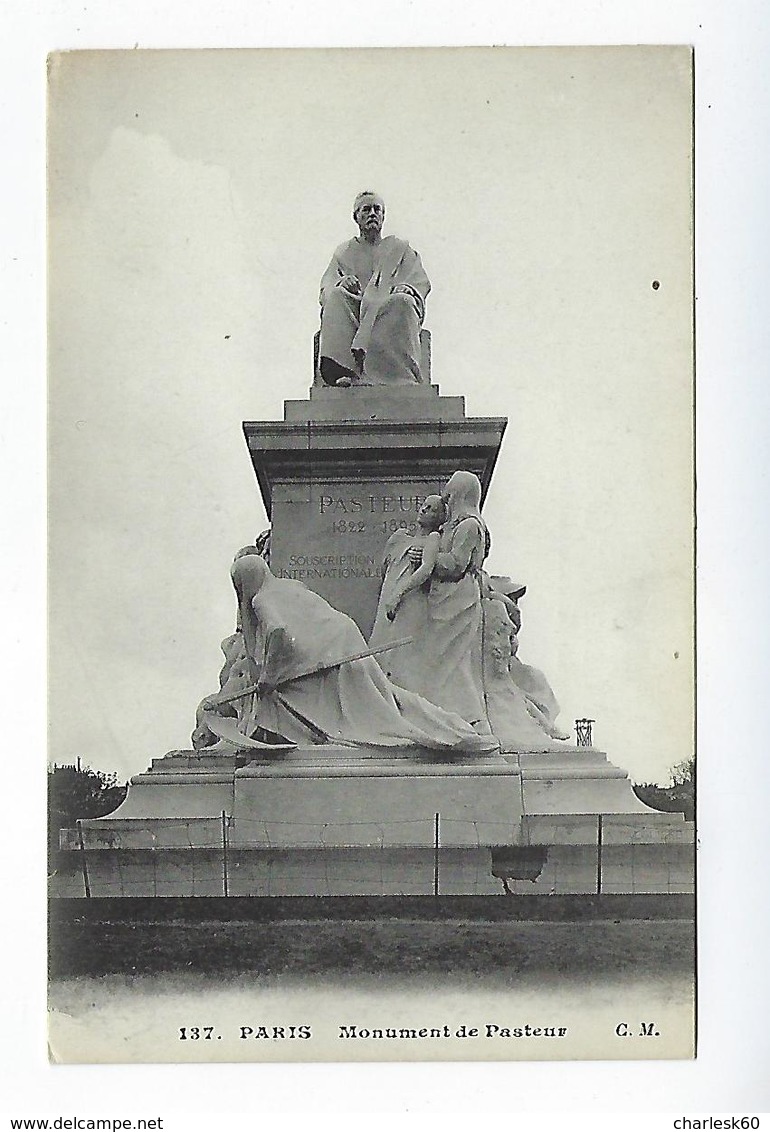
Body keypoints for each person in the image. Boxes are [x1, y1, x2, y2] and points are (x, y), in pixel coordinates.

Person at [229, 553, 499, 755]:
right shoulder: (288, 586)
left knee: (373, 713)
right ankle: (452, 727)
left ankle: (448, 731)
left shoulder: (261, 599)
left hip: (329, 657)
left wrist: (268, 676)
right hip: (343, 638)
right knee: (386, 699)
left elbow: (277, 630)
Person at [318, 191, 430, 387]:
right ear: (356, 217)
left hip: (389, 305)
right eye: (366, 210)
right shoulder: (344, 252)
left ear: (383, 216)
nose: (372, 214)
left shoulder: (400, 249)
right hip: (355, 308)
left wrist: (407, 288)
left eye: (377, 209)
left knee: (403, 302)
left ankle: (395, 375)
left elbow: (418, 281)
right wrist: (340, 283)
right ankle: (345, 372)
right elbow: (327, 285)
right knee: (336, 296)